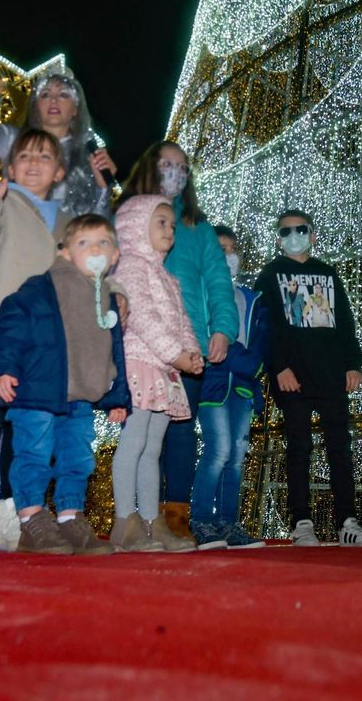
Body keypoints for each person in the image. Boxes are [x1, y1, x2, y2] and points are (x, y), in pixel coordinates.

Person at [116, 141, 237, 542]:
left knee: (180, 432)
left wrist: (221, 328)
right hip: (140, 346)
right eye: (166, 164)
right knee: (139, 435)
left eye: (182, 167)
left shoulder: (196, 228)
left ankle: (173, 519)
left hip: (188, 348)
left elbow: (219, 280)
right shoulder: (128, 217)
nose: (175, 172)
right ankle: (131, 518)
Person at [0, 214, 129, 555]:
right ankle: (31, 517)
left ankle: (69, 517)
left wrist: (118, 395)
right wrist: (4, 368)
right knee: (33, 454)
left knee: (78, 458)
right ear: (66, 253)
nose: (94, 249)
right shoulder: (42, 287)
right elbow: (13, 321)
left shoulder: (106, 299)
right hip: (37, 391)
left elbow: (114, 351)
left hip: (80, 397)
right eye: (84, 243)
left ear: (114, 256)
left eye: (103, 243)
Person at [0, 129, 68, 552]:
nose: (33, 163)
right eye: (24, 156)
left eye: (44, 157)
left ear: (58, 171)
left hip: (42, 345)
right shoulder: (1, 200)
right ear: (12, 165)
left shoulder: (65, 221)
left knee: (21, 428)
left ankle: (10, 510)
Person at [252, 210, 362, 548]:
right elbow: (264, 327)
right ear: (278, 238)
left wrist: (353, 363)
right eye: (285, 232)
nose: (293, 235)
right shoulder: (270, 276)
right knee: (299, 447)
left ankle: (347, 522)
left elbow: (345, 322)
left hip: (331, 375)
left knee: (340, 447)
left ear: (313, 235)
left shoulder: (327, 273)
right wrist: (279, 367)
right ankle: (301, 522)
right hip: (292, 377)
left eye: (300, 229)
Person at [108, 195, 203, 553]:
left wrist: (191, 352)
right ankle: (124, 519)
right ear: (136, 227)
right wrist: (176, 354)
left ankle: (151, 520)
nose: (169, 230)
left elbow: (181, 321)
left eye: (171, 224)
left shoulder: (167, 275)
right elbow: (143, 317)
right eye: (160, 222)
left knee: (153, 449)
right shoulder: (132, 265)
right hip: (140, 363)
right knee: (133, 444)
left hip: (165, 370)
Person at [190, 225, 268, 550]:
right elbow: (213, 345)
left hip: (244, 391)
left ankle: (227, 522)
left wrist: (253, 364)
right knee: (218, 451)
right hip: (214, 386)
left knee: (236, 456)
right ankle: (200, 520)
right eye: (220, 249)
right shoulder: (201, 294)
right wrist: (241, 358)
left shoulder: (249, 298)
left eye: (231, 249)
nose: (227, 256)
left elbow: (261, 345)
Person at [0, 66, 115, 219]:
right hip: (17, 238)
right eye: (45, 94)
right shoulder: (15, 140)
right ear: (36, 106)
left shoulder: (88, 155)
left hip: (65, 246)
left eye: (64, 95)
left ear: (75, 109)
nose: (54, 100)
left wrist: (103, 189)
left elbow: (97, 224)